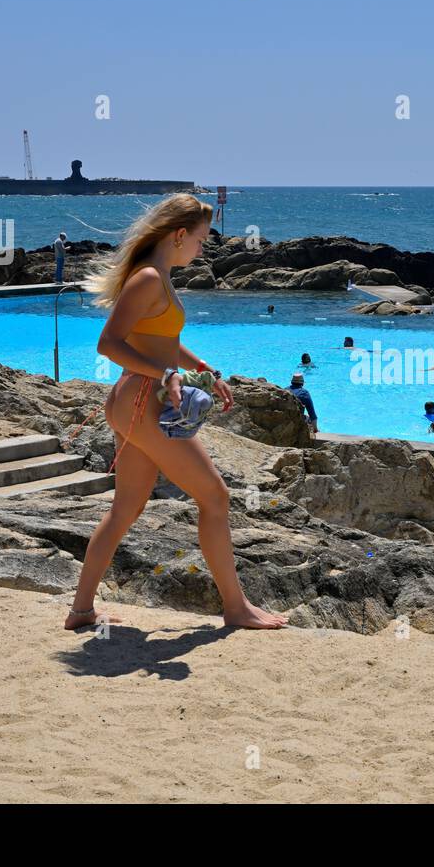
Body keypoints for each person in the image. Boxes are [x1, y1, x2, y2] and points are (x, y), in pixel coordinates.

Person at [69, 194, 286, 632]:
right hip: (143, 402)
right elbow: (109, 344)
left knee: (125, 509)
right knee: (216, 497)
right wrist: (167, 373)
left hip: (134, 400)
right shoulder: (149, 278)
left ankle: (81, 611)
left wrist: (202, 368)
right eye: (201, 240)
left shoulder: (158, 277)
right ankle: (236, 608)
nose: (203, 250)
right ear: (179, 234)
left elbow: (162, 339)